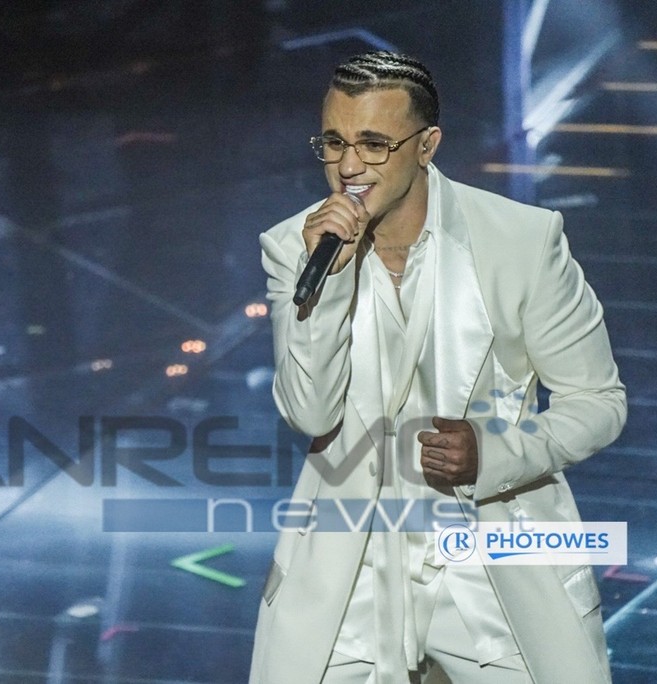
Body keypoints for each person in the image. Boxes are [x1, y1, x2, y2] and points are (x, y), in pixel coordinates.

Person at [250, 51, 626, 683]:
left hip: (493, 559)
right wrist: (332, 281)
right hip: (349, 568)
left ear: (427, 145)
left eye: (374, 144)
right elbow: (310, 412)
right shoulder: (297, 245)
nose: (348, 166)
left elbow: (598, 402)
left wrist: (493, 453)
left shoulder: (521, 239)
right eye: (334, 142)